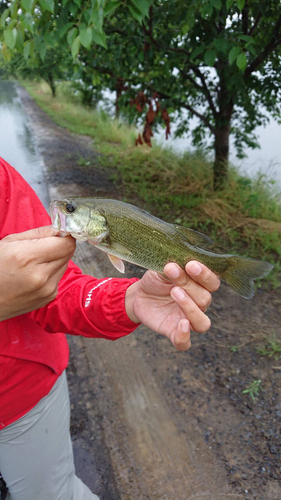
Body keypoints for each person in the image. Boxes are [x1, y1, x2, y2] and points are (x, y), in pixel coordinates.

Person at [0, 157, 220, 500]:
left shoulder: (3, 180)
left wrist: (130, 299)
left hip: (21, 400)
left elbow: (55, 293)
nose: (60, 211)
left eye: (71, 210)